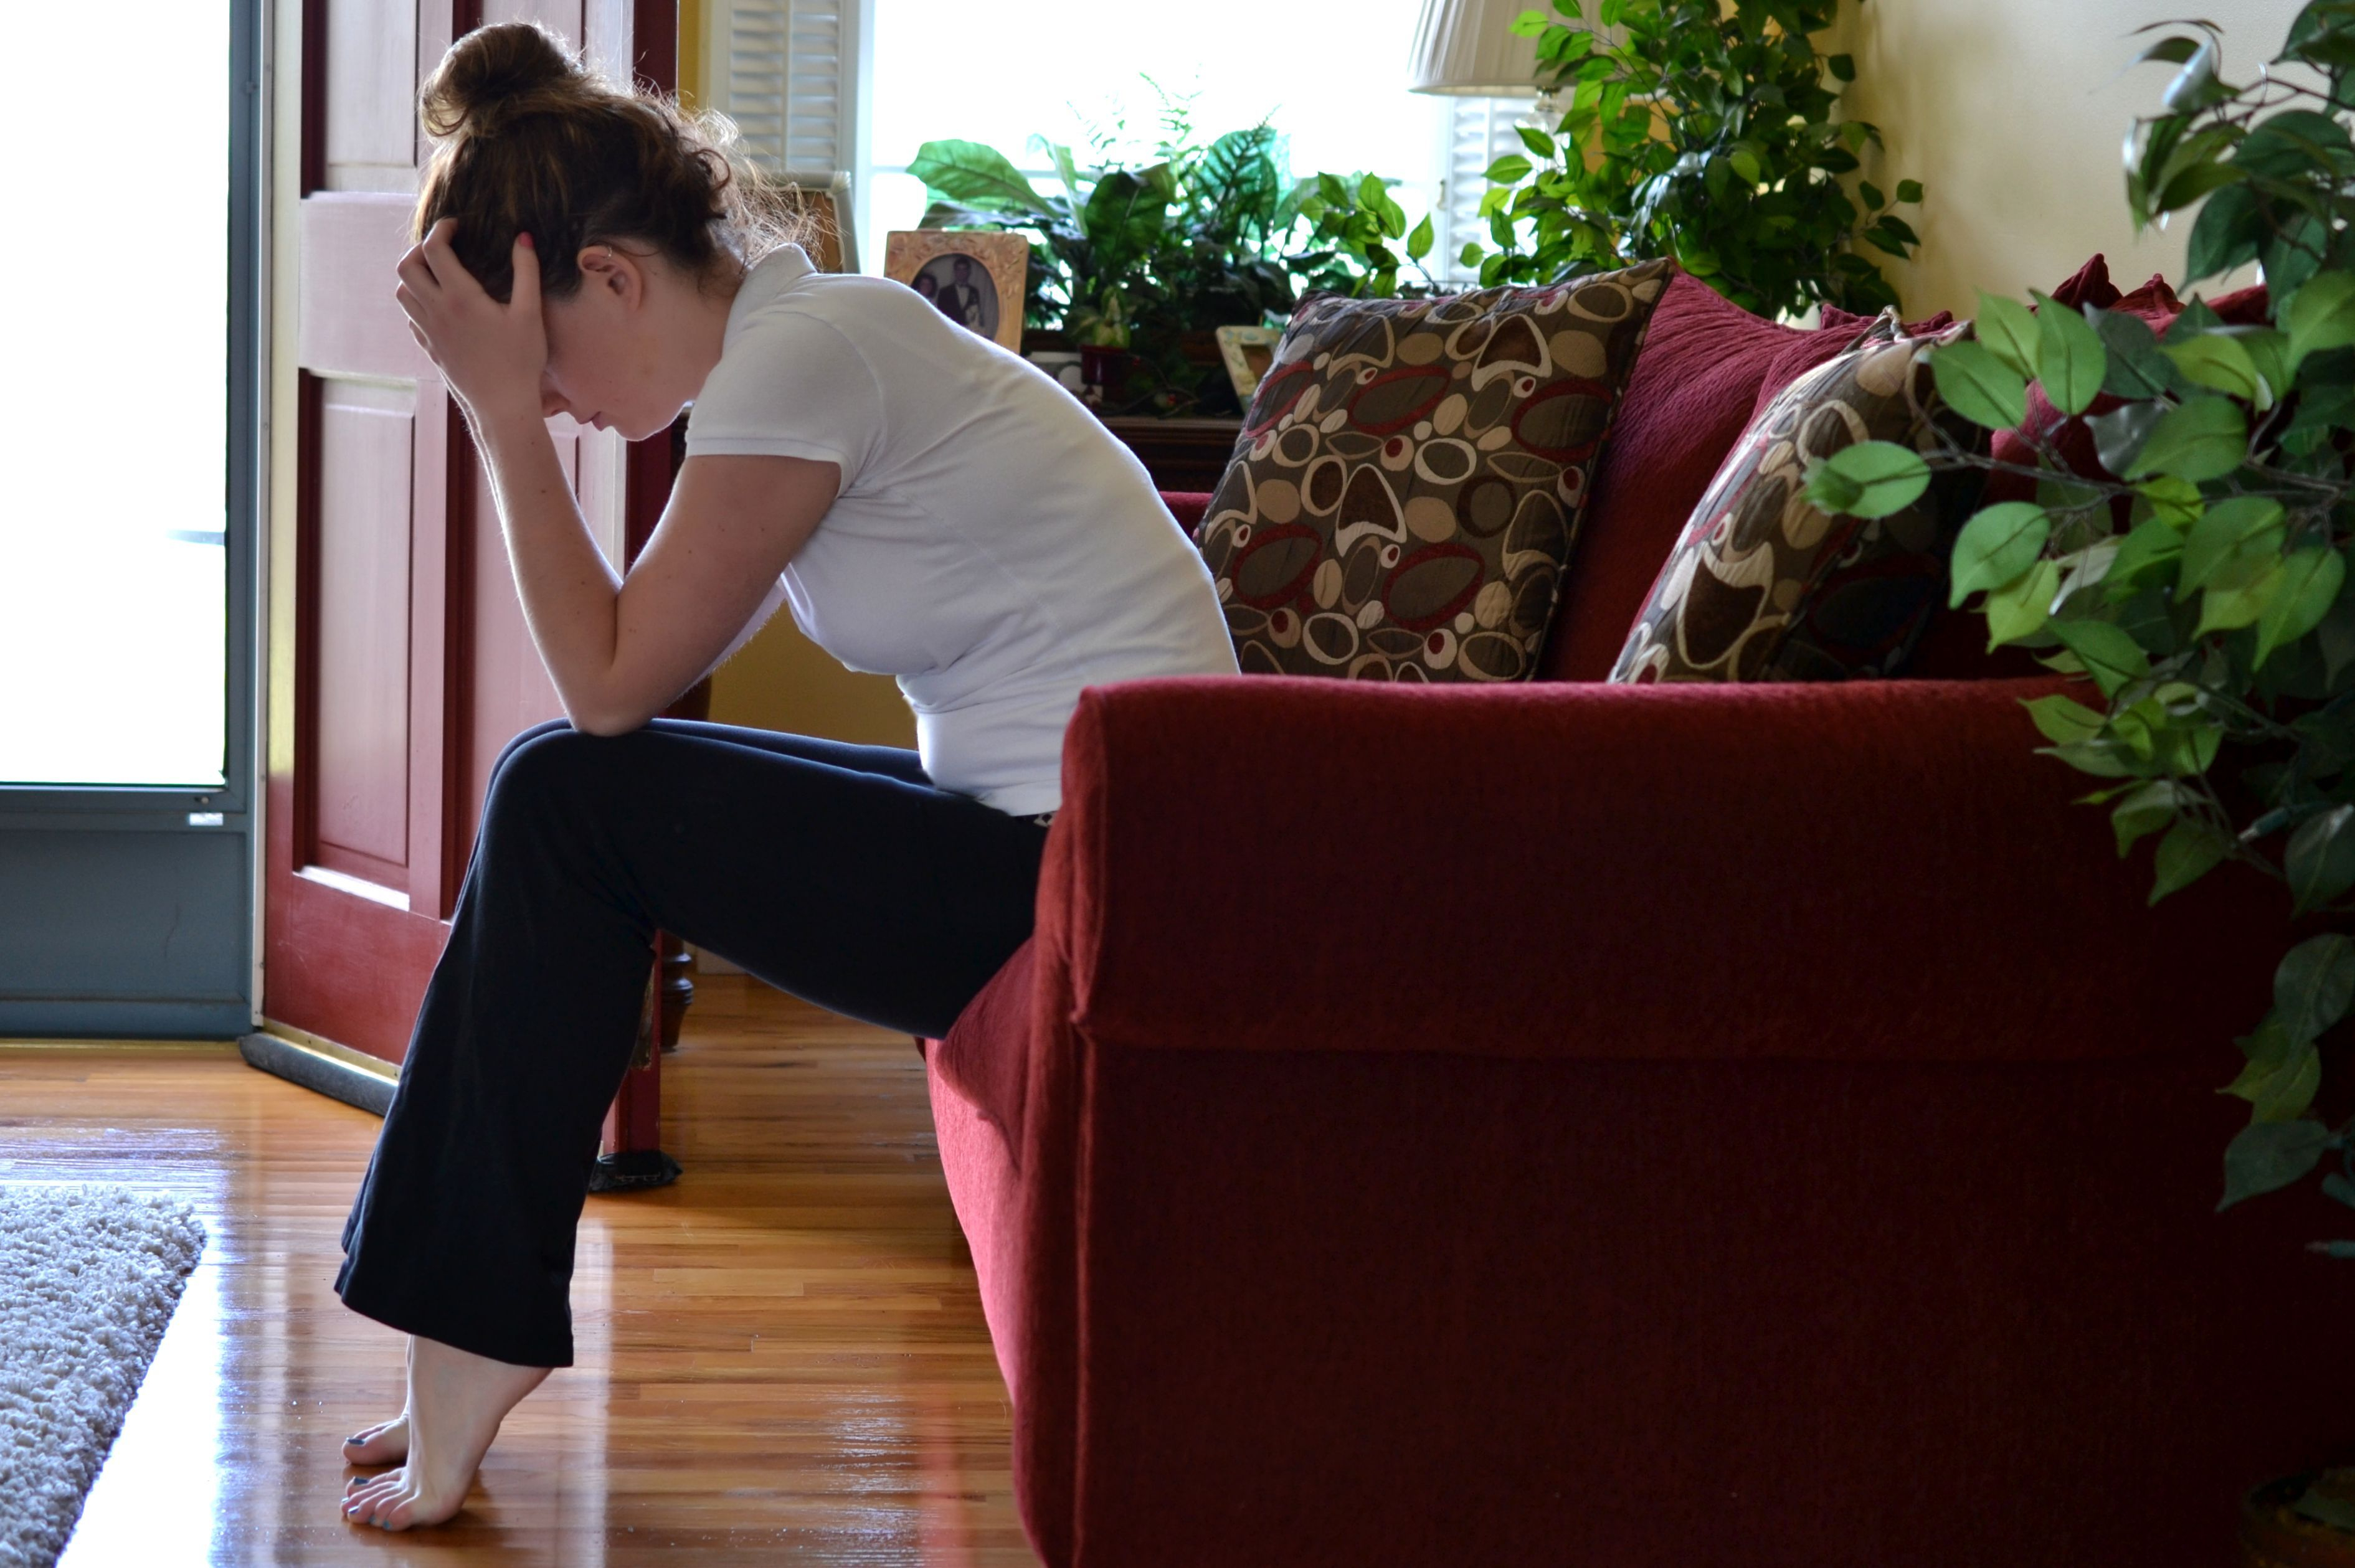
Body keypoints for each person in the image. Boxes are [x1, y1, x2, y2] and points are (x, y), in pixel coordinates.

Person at [333, 21, 1238, 1533]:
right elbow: (618, 687)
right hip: (1065, 834)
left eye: (546, 361)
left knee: (566, 793)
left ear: (609, 277)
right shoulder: (812, 346)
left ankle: (469, 1332)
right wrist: (513, 386)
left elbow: (611, 683)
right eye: (535, 393)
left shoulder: (808, 357)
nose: (555, 404)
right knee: (556, 786)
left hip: (1103, 866)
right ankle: (466, 1326)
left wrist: (495, 419)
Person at [936, 255, 988, 331]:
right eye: (959, 269)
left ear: (969, 272)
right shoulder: (944, 291)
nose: (961, 273)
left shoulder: (974, 291)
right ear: (955, 272)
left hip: (967, 331)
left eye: (964, 270)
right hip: (948, 330)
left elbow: (976, 313)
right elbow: (940, 314)